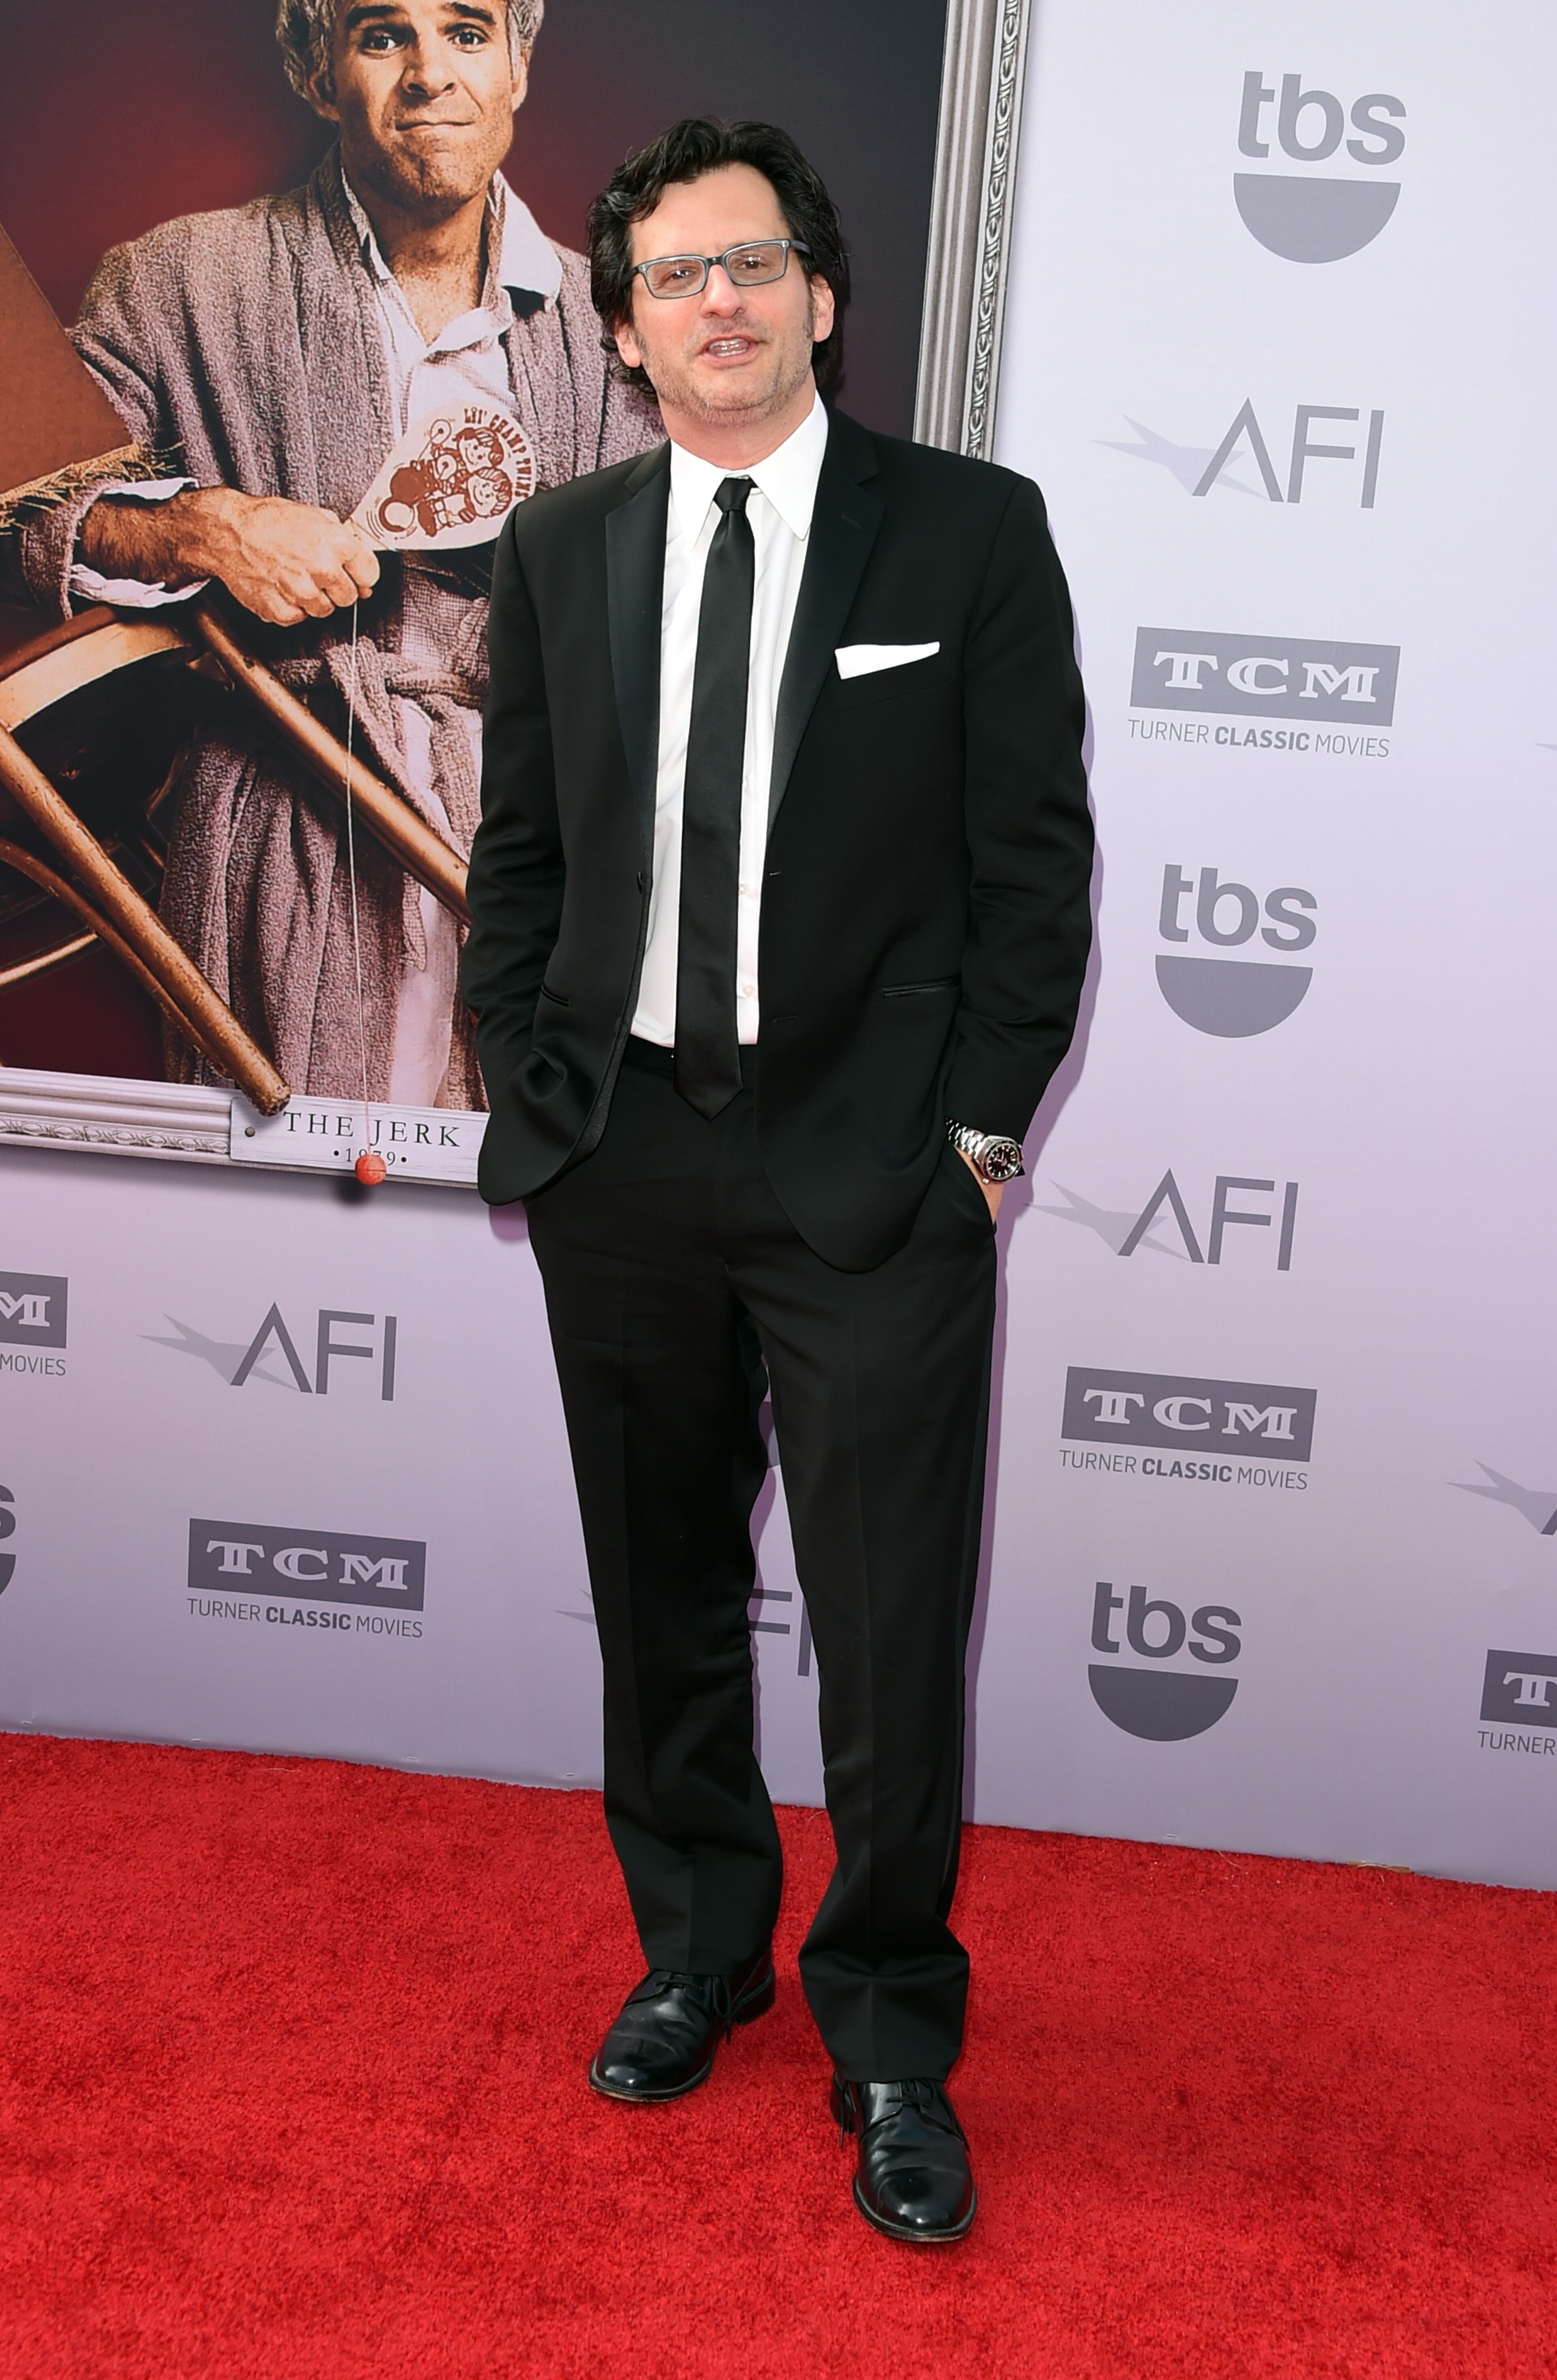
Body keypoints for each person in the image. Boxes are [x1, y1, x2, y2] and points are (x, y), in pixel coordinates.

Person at [462, 117, 1093, 2242]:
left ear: (825, 295)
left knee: (891, 1625)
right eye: (672, 278)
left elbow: (1033, 868)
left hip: (873, 1173)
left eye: (755, 265)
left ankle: (893, 2029)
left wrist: (980, 1131)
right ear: (627, 334)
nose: (718, 303)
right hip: (621, 1150)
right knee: (658, 1596)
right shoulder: (561, 547)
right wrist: (526, 1081)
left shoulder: (970, 537)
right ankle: (703, 1941)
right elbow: (522, 851)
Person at [1, 0, 658, 1104]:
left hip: (543, 861)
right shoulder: (180, 282)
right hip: (286, 837)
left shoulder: (615, 328)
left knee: (532, 1246)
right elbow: (22, 511)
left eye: (465, 30)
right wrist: (198, 525)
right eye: (381, 34)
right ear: (316, 73)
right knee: (297, 1231)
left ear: (518, 69)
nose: (430, 74)